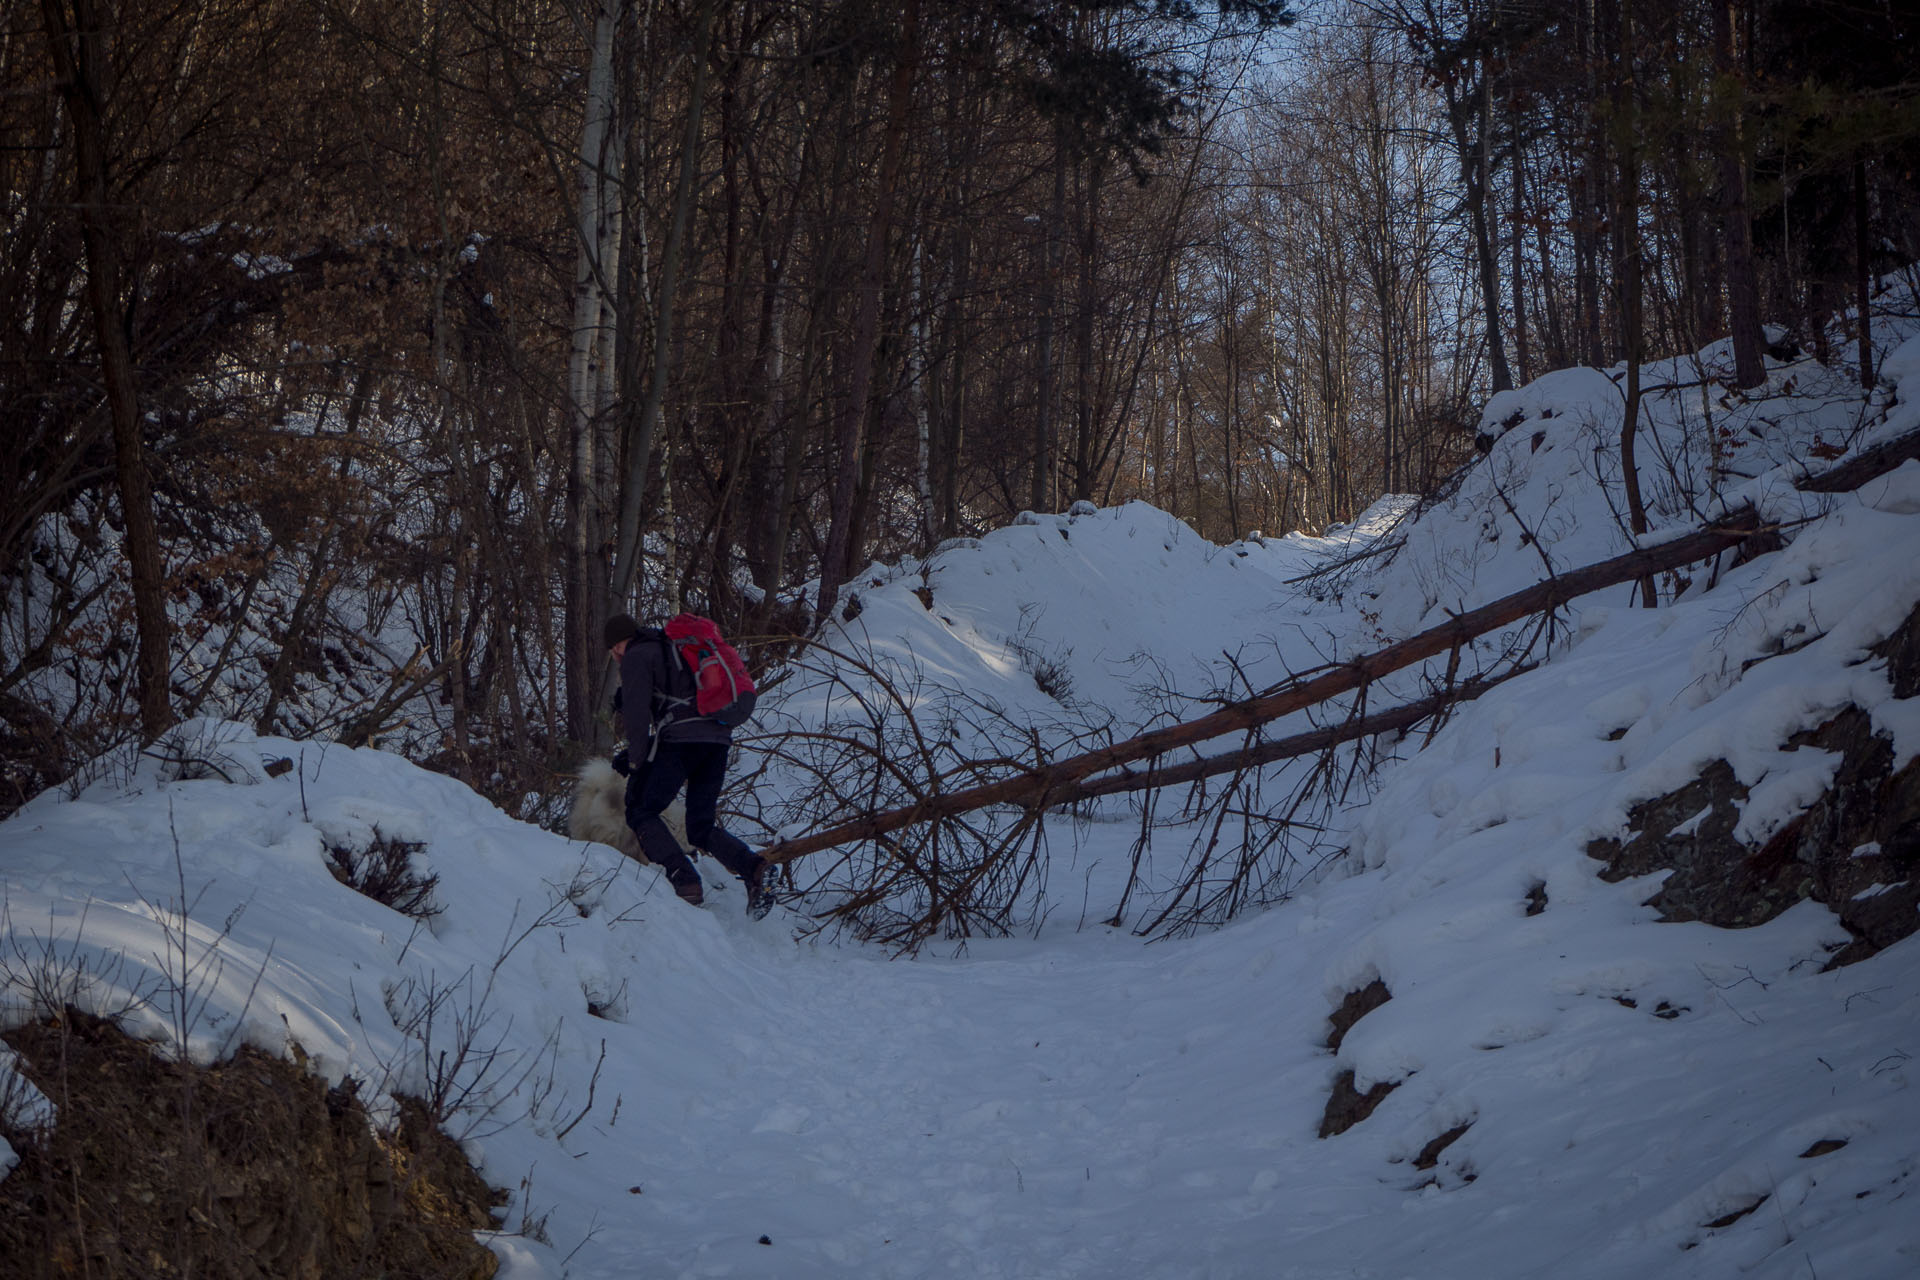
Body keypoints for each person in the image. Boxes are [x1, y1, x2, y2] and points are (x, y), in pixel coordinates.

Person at [605, 612, 771, 912]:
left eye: (613, 649)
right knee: (699, 827)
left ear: (618, 644)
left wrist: (635, 761)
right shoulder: (673, 648)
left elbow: (637, 717)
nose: (614, 655)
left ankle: (685, 881)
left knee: (641, 810)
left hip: (682, 743)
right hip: (717, 741)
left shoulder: (636, 655)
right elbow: (677, 706)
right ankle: (755, 868)